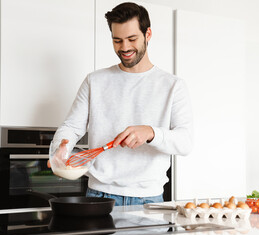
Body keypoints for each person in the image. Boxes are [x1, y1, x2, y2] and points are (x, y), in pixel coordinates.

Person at [48, 2, 193, 206]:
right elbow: (71, 128)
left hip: (149, 201)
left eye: (132, 39)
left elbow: (185, 142)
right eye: (117, 40)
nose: (124, 48)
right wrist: (60, 148)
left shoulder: (173, 86)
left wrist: (151, 133)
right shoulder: (94, 81)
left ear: (148, 34)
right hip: (99, 197)